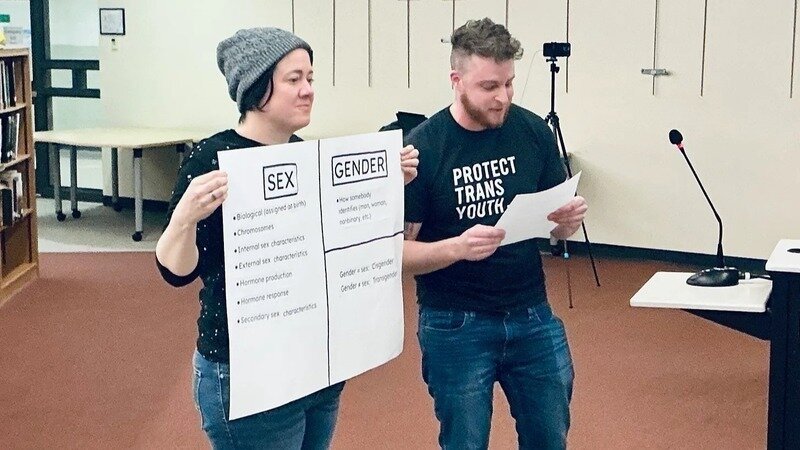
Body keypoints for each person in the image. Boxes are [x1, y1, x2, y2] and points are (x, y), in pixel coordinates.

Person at [155, 27, 419, 449]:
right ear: (255, 88)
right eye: (294, 79)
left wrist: (386, 185)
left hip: (316, 365)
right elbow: (176, 271)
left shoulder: (306, 154)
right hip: (247, 373)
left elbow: (340, 247)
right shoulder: (213, 159)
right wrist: (184, 219)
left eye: (310, 78)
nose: (308, 90)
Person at [402, 18, 587, 450]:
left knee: (550, 437)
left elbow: (558, 227)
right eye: (489, 87)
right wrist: (457, 248)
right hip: (455, 322)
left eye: (509, 83)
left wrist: (567, 222)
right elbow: (397, 254)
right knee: (465, 442)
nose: (502, 97)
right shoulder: (423, 148)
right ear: (456, 81)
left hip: (531, 312)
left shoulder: (533, 132)